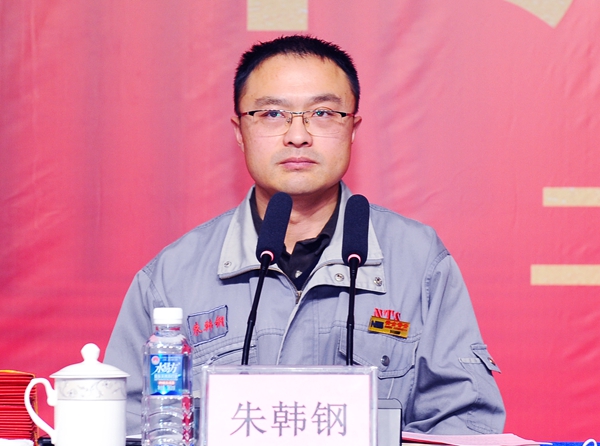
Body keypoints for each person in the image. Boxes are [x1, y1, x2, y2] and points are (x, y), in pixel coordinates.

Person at [105, 34, 505, 435]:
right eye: (272, 114)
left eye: (323, 113)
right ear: (240, 131)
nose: (298, 135)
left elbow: (465, 426)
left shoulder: (418, 260)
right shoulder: (173, 276)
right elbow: (124, 429)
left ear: (353, 129)